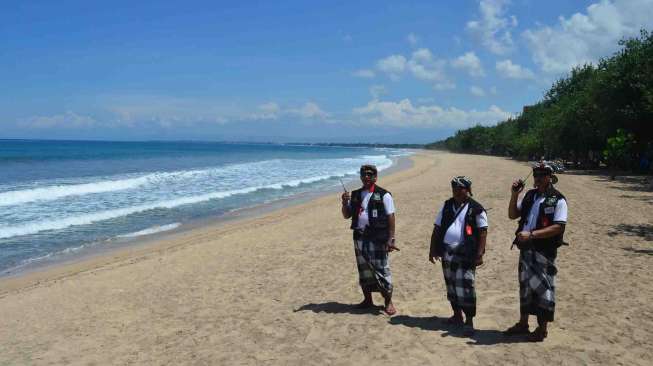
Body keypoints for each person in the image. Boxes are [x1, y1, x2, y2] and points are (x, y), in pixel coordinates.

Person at [504, 162, 568, 342]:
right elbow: (512, 215)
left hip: (544, 250)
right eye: (536, 175)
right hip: (525, 249)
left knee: (543, 288)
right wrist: (514, 194)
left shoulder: (558, 199)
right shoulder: (530, 196)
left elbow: (558, 227)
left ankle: (542, 329)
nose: (537, 178)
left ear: (550, 177)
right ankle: (523, 323)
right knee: (525, 287)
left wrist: (532, 234)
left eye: (541, 175)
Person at [429, 176, 488, 336]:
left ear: (467, 190)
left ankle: (469, 321)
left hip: (466, 254)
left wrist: (480, 254)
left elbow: (483, 232)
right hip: (447, 252)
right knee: (451, 285)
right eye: (454, 188)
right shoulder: (447, 205)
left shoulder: (476, 208)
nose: (456, 191)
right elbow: (437, 227)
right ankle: (457, 316)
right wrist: (432, 249)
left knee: (466, 287)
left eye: (459, 188)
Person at [341, 164, 399, 315]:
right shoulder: (355, 195)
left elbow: (391, 216)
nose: (366, 177)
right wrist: (344, 203)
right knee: (364, 270)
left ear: (375, 177)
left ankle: (388, 301)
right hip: (359, 237)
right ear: (360, 177)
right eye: (364, 174)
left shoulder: (384, 194)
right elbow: (347, 215)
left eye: (369, 174)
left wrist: (391, 238)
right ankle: (368, 300)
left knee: (382, 270)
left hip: (378, 237)